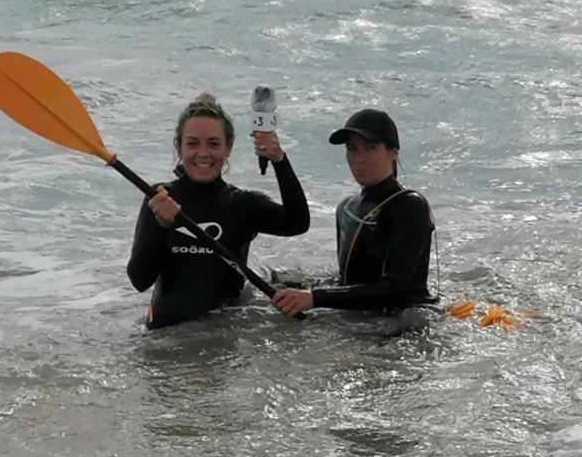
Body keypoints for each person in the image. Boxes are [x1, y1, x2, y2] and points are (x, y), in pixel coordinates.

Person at [127, 93, 309, 328]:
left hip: (223, 344)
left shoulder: (243, 205)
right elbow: (139, 281)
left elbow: (298, 223)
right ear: (179, 147)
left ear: (228, 148)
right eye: (192, 143)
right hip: (163, 341)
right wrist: (161, 226)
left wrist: (279, 160)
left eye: (213, 144)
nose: (203, 153)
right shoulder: (160, 198)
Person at [272, 108, 436, 318]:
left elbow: (395, 289)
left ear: (393, 152)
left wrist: (314, 298)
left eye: (370, 147)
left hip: (403, 326)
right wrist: (293, 285)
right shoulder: (346, 208)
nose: (359, 158)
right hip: (358, 322)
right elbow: (348, 282)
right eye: (352, 148)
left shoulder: (410, 207)